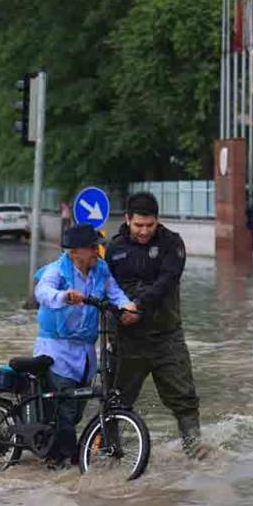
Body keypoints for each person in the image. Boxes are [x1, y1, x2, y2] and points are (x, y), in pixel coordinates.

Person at [105, 192, 207, 459]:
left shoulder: (172, 244)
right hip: (126, 339)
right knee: (115, 399)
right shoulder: (114, 249)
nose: (144, 231)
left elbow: (167, 282)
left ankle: (194, 449)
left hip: (166, 337)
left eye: (149, 225)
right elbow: (105, 287)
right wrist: (119, 315)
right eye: (138, 225)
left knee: (184, 397)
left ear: (157, 220)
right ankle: (111, 452)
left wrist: (138, 305)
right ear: (127, 219)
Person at [34, 222, 138, 466]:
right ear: (75, 252)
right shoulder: (57, 270)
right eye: (92, 248)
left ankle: (62, 455)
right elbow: (43, 291)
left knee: (77, 409)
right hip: (56, 348)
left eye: (97, 247)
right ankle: (68, 461)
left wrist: (128, 307)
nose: (97, 251)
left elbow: (115, 294)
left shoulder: (101, 270)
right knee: (65, 411)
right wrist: (64, 296)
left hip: (86, 351)